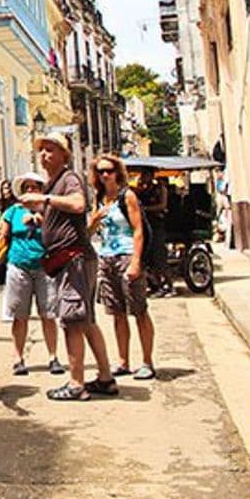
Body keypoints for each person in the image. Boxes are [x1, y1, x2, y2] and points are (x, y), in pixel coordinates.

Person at [19, 132, 117, 402]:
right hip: (68, 260)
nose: (44, 155)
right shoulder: (53, 184)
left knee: (72, 320)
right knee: (85, 321)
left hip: (73, 259)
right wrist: (39, 219)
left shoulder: (69, 179)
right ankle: (106, 378)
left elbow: (78, 204)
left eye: (51, 149)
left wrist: (46, 201)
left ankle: (76, 383)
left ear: (65, 155)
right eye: (42, 150)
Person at [89, 155, 156, 381]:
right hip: (106, 257)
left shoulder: (126, 196)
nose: (105, 175)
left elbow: (138, 230)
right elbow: (88, 232)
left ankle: (147, 361)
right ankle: (123, 361)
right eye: (100, 171)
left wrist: (136, 261)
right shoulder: (99, 198)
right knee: (116, 313)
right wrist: (94, 218)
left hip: (127, 256)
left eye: (109, 170)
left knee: (138, 310)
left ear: (117, 172)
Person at [0, 172, 64, 376]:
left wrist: (42, 223)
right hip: (19, 266)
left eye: (35, 187)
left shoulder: (49, 211)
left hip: (44, 266)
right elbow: (3, 236)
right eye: (27, 187)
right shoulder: (13, 212)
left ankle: (53, 357)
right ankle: (18, 358)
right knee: (20, 315)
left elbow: (58, 236)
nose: (31, 191)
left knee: (48, 313)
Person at [135, 167, 174, 297]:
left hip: (157, 226)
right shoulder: (142, 190)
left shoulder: (160, 189)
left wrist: (146, 209)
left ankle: (168, 285)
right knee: (148, 259)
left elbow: (162, 205)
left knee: (159, 258)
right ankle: (155, 285)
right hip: (145, 226)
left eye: (145, 174)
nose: (143, 177)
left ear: (151, 176)